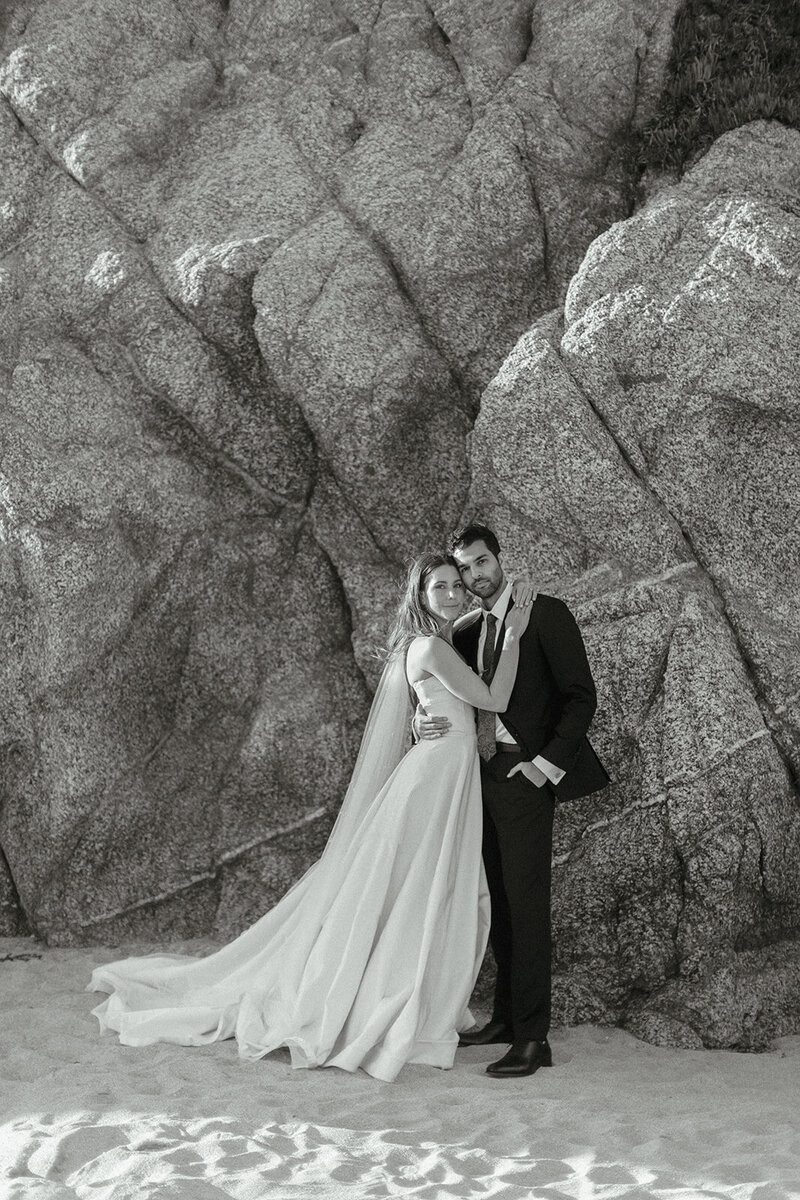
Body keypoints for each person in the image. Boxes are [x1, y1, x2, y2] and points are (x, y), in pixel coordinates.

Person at [88, 552, 533, 1082]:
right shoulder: (432, 646)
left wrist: (459, 652)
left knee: (417, 889)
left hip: (442, 770)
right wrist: (513, 635)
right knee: (414, 890)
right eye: (440, 587)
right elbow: (494, 696)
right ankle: (386, 992)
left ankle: (413, 988)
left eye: (459, 585)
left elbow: (446, 679)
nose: (455, 594)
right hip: (435, 778)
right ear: (419, 595)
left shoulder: (428, 641)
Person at [415, 524, 610, 1078]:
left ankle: (532, 1039)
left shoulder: (547, 613)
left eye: (480, 563)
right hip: (478, 776)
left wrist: (543, 767)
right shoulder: (467, 629)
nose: (474, 576)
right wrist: (417, 717)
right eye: (465, 570)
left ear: (497, 559)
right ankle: (504, 1016)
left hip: (525, 777)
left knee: (526, 908)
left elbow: (580, 698)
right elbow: (447, 692)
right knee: (495, 899)